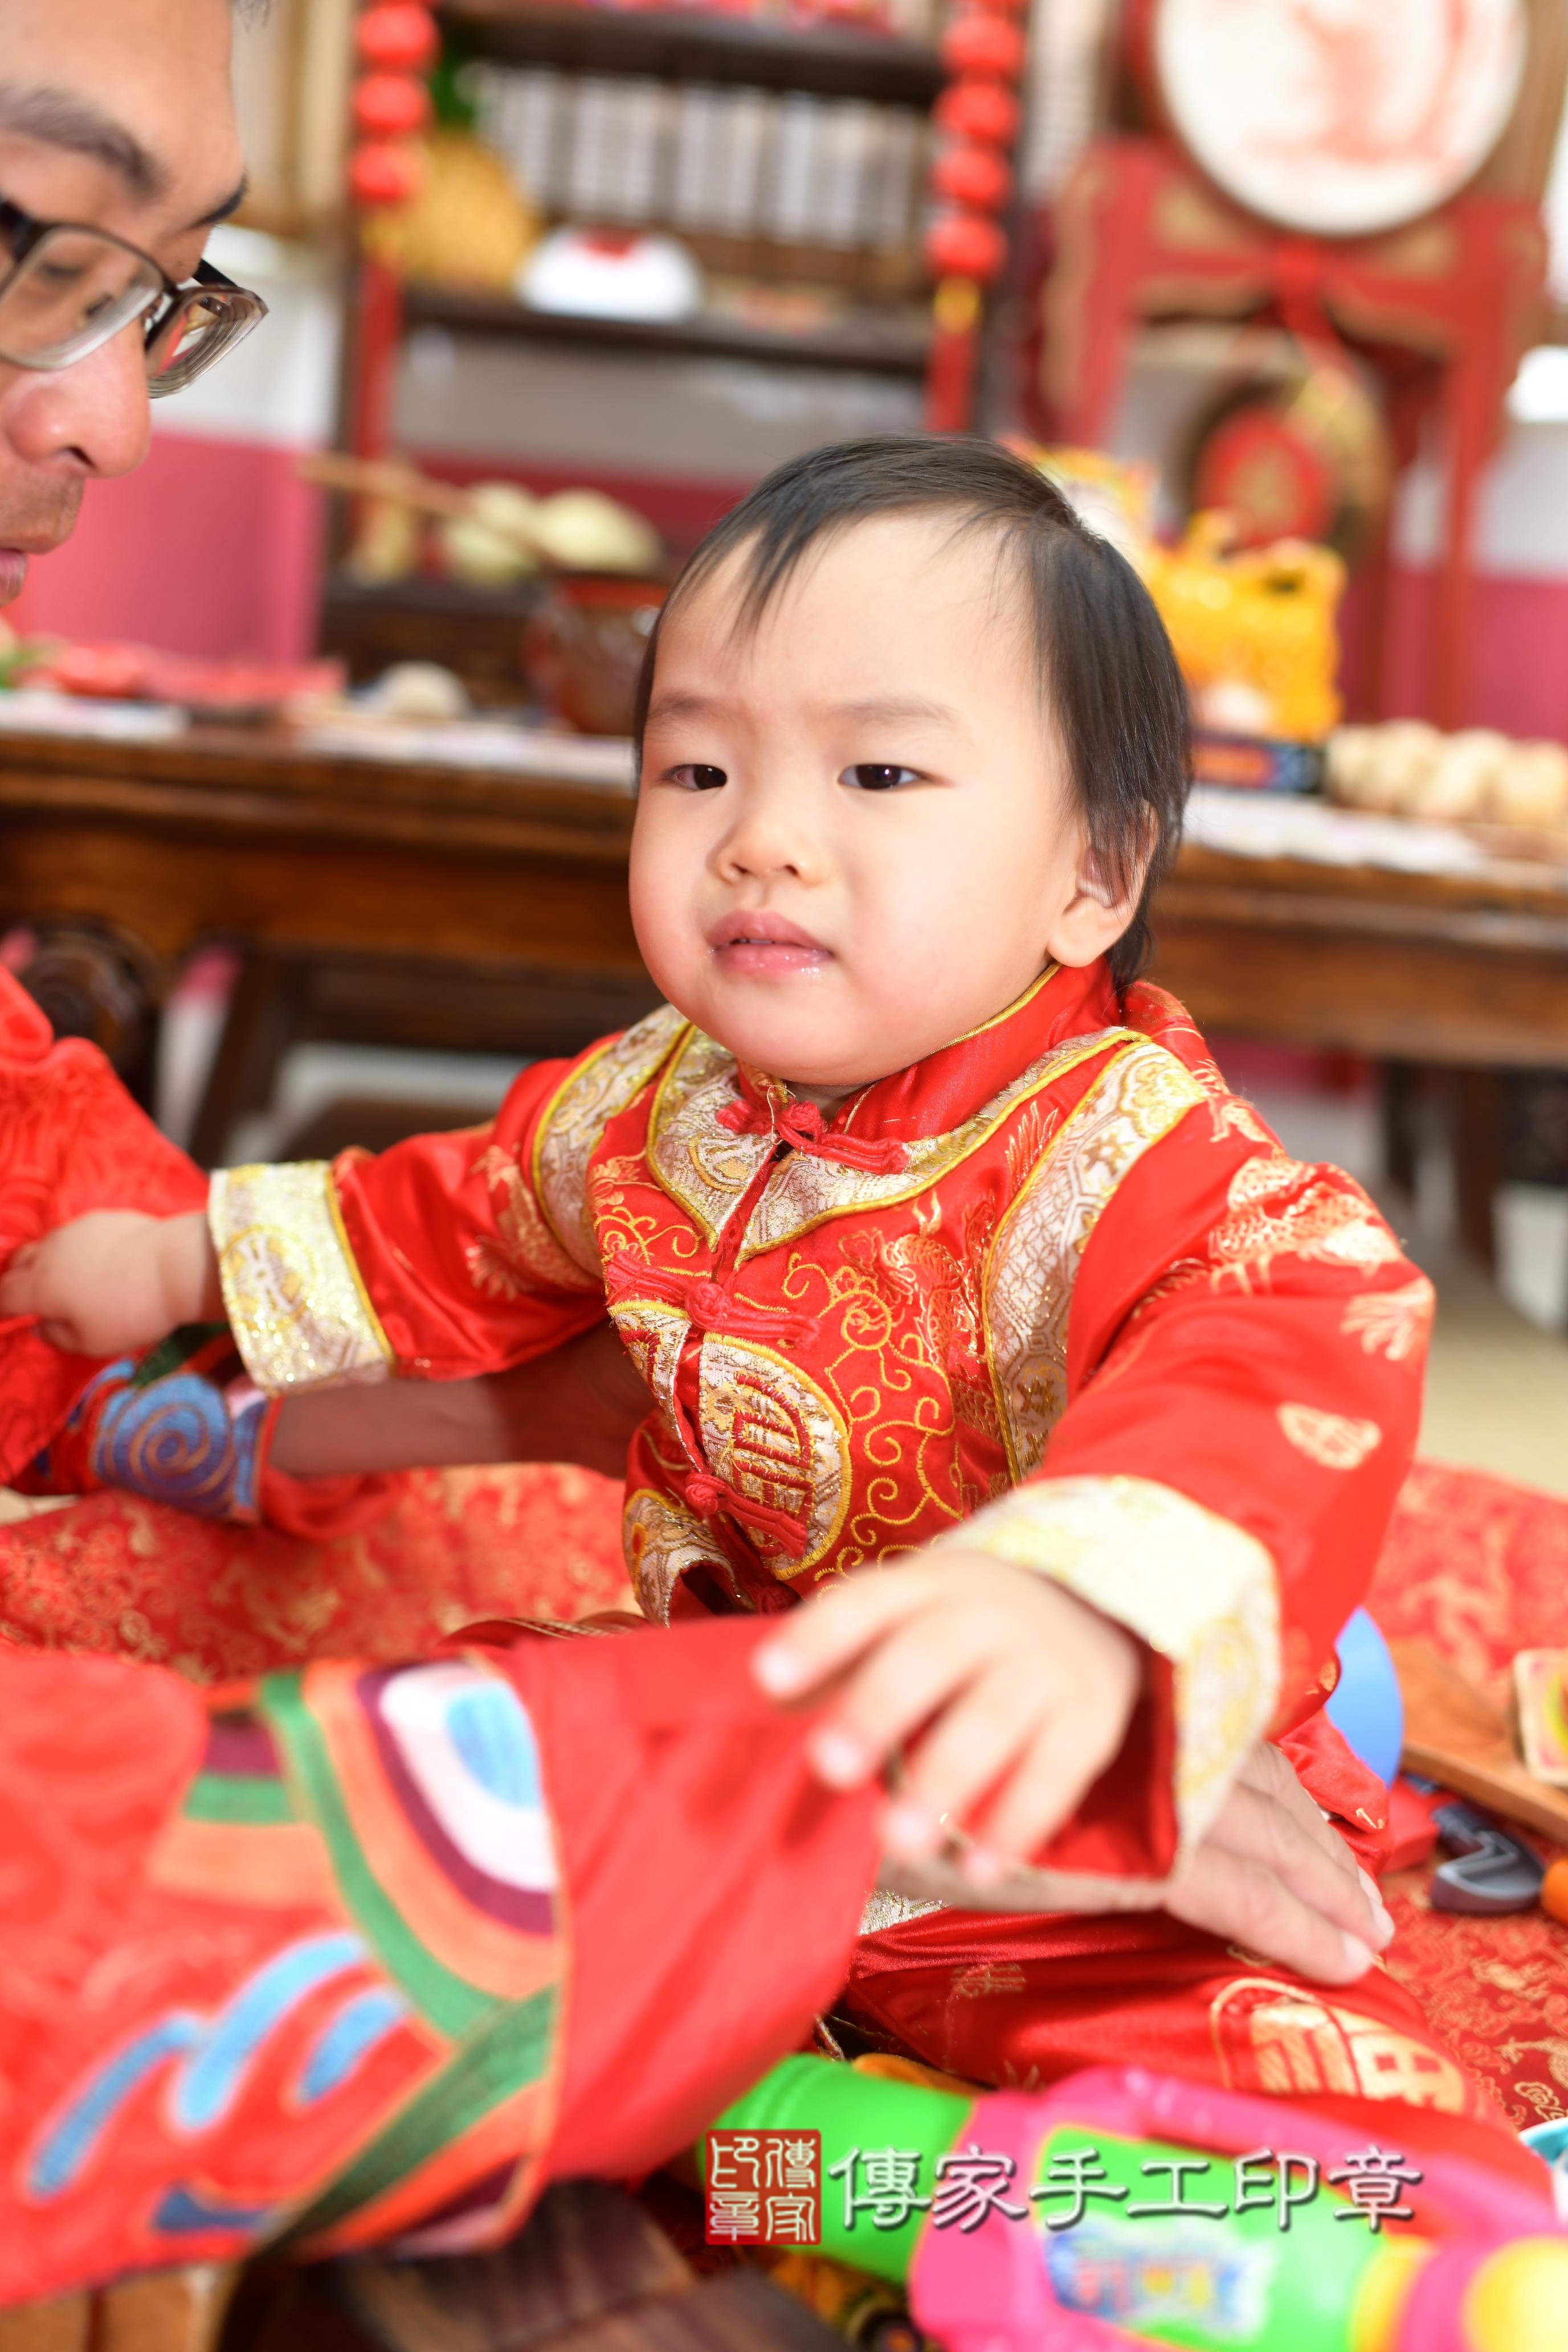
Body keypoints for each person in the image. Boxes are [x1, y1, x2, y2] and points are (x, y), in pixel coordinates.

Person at [0, 3, 1428, 2301]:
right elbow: (448, 1216)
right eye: (695, 774)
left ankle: (1259, 2237)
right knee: (497, 1803)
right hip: (756, 1702)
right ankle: (818, 2167)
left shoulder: (1119, 1141)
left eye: (876, 782)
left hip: (1061, 1780)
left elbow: (1310, 1320)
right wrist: (179, 1278)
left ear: (1089, 879)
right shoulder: (648, 1107)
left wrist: (1080, 1598)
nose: (764, 846)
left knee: (1271, 2070)